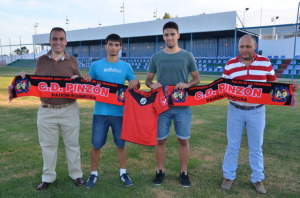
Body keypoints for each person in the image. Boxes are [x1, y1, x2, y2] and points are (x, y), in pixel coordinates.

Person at [220, 34, 299, 194]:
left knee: (256, 147)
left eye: (248, 46)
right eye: (242, 47)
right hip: (235, 109)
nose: (245, 50)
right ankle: (229, 176)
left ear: (255, 46)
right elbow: (223, 87)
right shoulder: (230, 64)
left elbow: (273, 84)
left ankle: (257, 179)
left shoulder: (265, 62)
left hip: (257, 110)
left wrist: (288, 89)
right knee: (232, 146)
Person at [19, 27, 84, 190]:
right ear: (50, 41)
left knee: (73, 145)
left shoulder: (72, 61)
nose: (58, 42)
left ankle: (76, 175)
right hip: (46, 110)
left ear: (66, 41)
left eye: (61, 39)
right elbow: (35, 83)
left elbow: (81, 83)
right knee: (47, 146)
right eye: (55, 39)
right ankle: (48, 177)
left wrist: (78, 79)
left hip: (69, 108)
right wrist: (23, 79)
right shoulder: (41, 60)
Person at [145, 21, 200, 187]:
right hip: (162, 108)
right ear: (163, 36)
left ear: (178, 35)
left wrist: (188, 84)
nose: (169, 37)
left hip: (182, 108)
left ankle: (184, 172)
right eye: (166, 34)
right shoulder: (156, 57)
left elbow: (196, 78)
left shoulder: (187, 56)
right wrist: (151, 84)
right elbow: (148, 79)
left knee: (183, 140)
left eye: (172, 34)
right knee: (161, 140)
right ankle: (160, 171)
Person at [83, 34, 139, 188]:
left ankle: (123, 172)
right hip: (100, 112)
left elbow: (134, 83)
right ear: (105, 46)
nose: (113, 48)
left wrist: (135, 81)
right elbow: (88, 84)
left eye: (116, 45)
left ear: (120, 47)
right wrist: (87, 77)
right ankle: (93, 173)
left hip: (120, 113)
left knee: (121, 144)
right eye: (110, 44)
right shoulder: (96, 65)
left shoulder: (125, 66)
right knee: (96, 144)